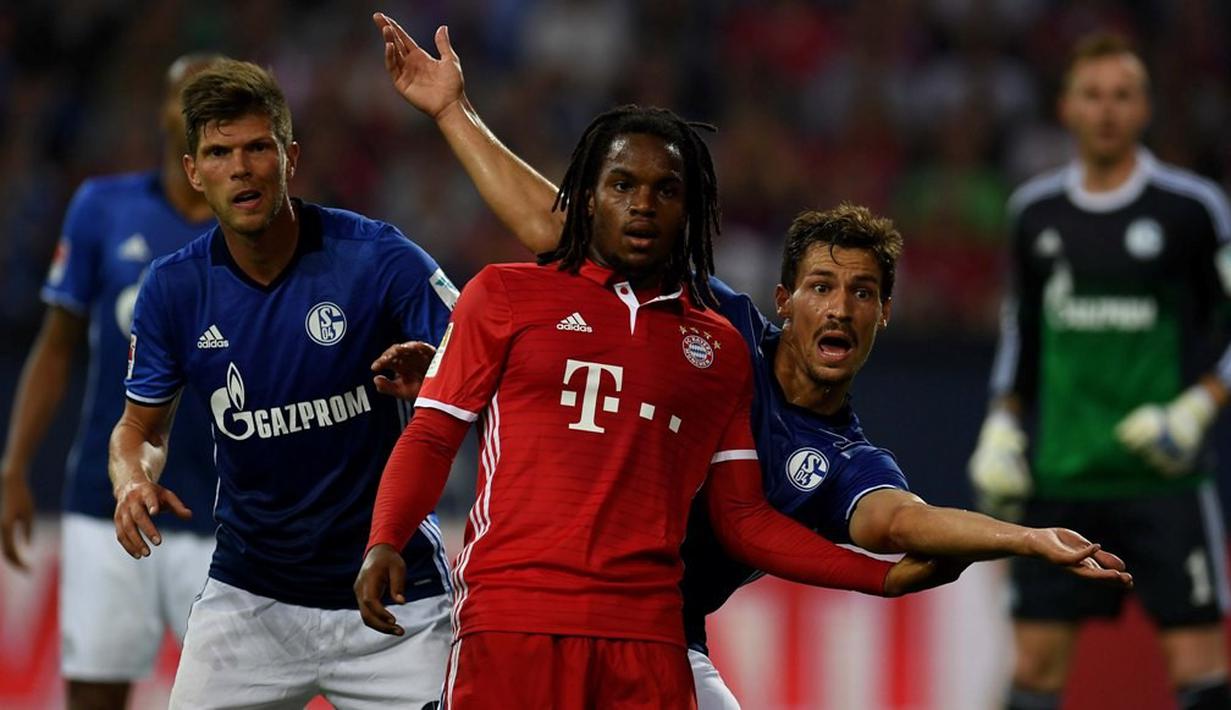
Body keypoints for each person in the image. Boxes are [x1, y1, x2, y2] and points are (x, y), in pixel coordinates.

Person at [356, 15, 1130, 709]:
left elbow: (886, 523)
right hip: (526, 612)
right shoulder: (716, 325)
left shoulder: (832, 449)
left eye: (862, 294)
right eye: (822, 287)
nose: (839, 308)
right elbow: (555, 231)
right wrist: (452, 113)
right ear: (784, 298)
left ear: (884, 314)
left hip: (659, 633)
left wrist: (1018, 538)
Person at [109, 58, 458, 709]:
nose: (239, 167)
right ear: (193, 171)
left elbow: (482, 353)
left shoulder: (377, 258)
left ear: (288, 156)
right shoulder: (173, 289)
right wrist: (131, 478)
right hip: (252, 600)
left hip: (394, 593)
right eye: (218, 153)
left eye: (256, 148)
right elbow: (139, 429)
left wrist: (438, 369)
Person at [968, 33, 1231, 710]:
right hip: (1062, 474)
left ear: (1144, 107)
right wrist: (1001, 424)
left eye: (1121, 95)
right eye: (1092, 95)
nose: (1106, 109)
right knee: (1032, 666)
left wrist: (1198, 405)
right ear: (1066, 108)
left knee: (1200, 668)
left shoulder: (1190, 210)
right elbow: (1020, 330)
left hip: (1163, 477)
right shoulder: (1035, 213)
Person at [0, 54, 222, 710]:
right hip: (107, 503)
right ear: (163, 110)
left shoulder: (257, 228)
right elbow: (57, 345)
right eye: (189, 98)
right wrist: (13, 467)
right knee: (95, 697)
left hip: (222, 512)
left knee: (241, 696)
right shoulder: (103, 208)